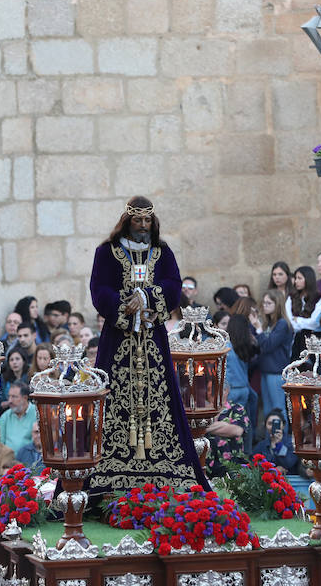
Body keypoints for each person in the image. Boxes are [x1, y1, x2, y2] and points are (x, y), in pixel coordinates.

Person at [88, 196, 209, 493]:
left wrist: (147, 297)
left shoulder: (162, 251)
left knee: (162, 397)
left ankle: (164, 470)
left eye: (147, 221)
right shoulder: (107, 252)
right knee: (114, 396)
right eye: (138, 220)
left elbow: (174, 283)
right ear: (127, 221)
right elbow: (98, 288)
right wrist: (121, 303)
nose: (143, 226)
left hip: (153, 338)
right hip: (119, 340)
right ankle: (108, 475)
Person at [251, 289, 293, 423]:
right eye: (263, 303)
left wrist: (258, 328)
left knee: (278, 410)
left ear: (278, 304)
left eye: (269, 303)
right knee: (268, 411)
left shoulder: (282, 324)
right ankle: (271, 443)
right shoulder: (269, 323)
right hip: (266, 369)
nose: (265, 306)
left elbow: (268, 345)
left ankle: (282, 443)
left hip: (276, 372)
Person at [204, 383, 248, 477]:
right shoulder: (203, 411)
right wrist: (224, 425)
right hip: (206, 464)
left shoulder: (236, 408)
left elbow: (237, 431)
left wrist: (206, 428)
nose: (212, 393)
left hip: (231, 463)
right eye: (209, 390)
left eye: (215, 389)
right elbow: (196, 430)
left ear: (226, 391)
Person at [224, 314, 259, 433]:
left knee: (229, 423)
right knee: (243, 421)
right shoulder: (246, 346)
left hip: (230, 390)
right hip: (244, 388)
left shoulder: (225, 346)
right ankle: (247, 448)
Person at [251, 410, 299, 474]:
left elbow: (289, 463)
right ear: (265, 426)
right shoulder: (261, 445)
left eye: (277, 423)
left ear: (283, 425)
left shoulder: (291, 442)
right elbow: (254, 465)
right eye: (270, 423)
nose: (273, 427)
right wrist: (272, 470)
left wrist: (279, 445)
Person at [0, 384, 37, 453]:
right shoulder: (6, 416)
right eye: (9, 396)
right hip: (8, 460)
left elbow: (36, 442)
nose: (10, 401)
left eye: (14, 397)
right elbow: (1, 442)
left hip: (30, 459)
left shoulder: (36, 413)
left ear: (25, 398)